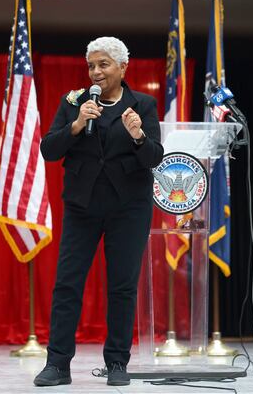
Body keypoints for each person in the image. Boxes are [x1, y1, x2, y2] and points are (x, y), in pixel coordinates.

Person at [34, 36, 164, 387]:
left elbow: (154, 157)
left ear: (123, 67)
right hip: (82, 205)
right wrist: (76, 125)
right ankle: (58, 364)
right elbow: (49, 150)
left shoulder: (144, 105)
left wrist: (138, 136)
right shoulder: (74, 102)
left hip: (129, 208)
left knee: (122, 287)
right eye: (91, 65)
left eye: (103, 64)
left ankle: (117, 363)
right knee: (67, 285)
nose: (95, 72)